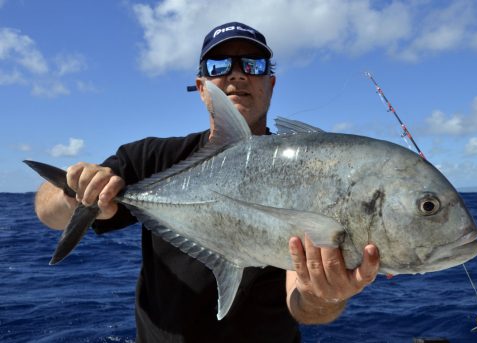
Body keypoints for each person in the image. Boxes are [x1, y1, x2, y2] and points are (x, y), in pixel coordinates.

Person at [34, 22, 380, 342]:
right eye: (218, 66)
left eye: (253, 64)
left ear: (270, 83)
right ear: (202, 88)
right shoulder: (150, 159)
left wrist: (324, 294)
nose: (237, 76)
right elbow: (46, 211)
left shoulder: (307, 170)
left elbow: (303, 306)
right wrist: (75, 192)